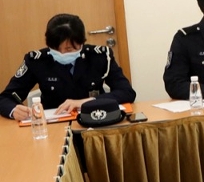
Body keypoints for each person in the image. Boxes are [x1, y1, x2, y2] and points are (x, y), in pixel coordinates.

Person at [0, 14, 136, 120]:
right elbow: (4, 99)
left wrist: (86, 102)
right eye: (56, 49)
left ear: (81, 43)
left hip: (95, 120)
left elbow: (127, 92)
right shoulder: (37, 60)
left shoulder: (99, 56)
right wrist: (14, 110)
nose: (62, 54)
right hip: (54, 126)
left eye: (69, 49)